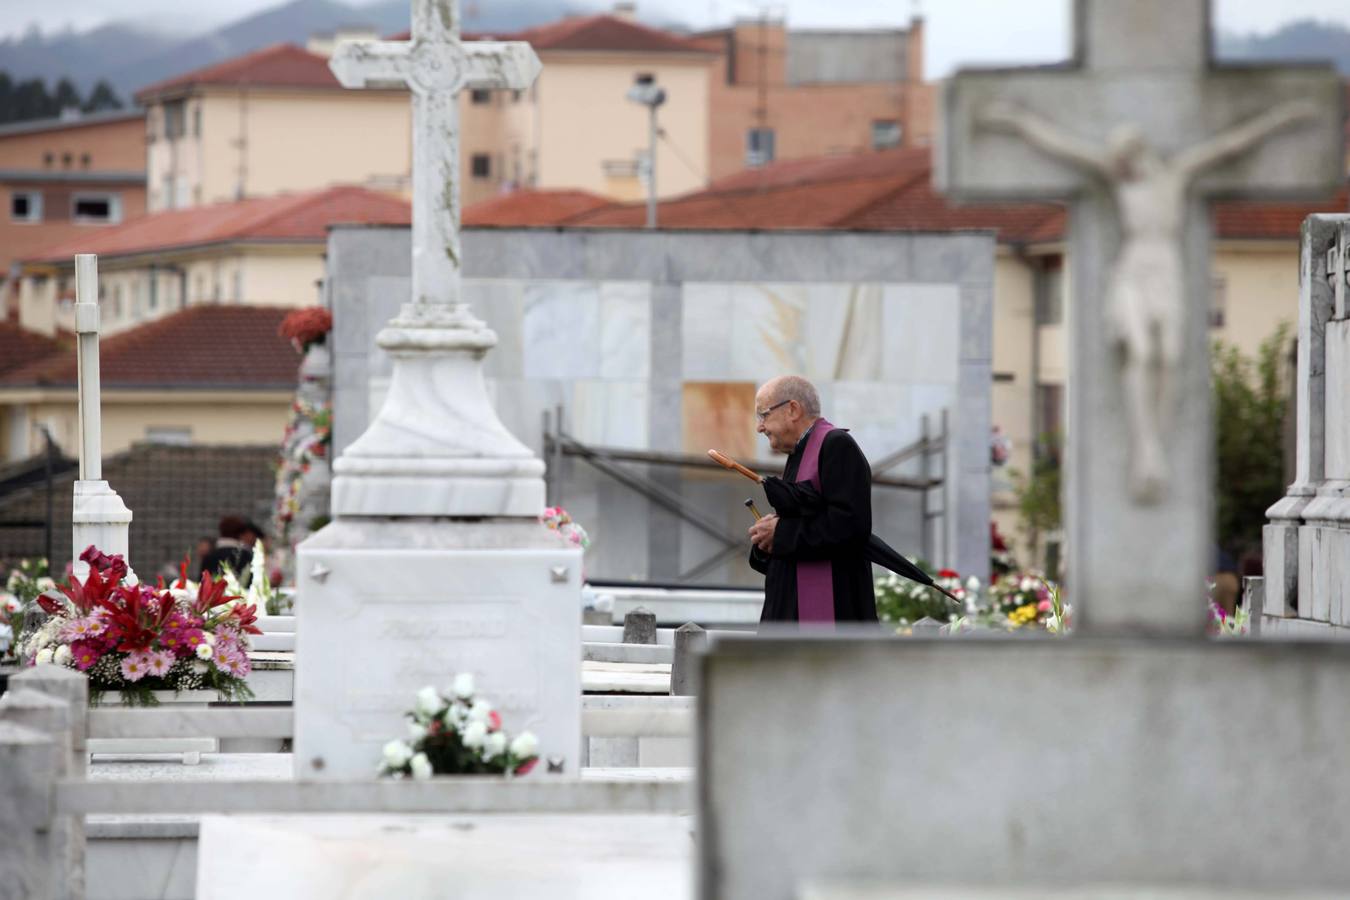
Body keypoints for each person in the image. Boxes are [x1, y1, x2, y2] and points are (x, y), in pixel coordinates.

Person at [747, 375, 878, 624]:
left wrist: (781, 533)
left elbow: (851, 527)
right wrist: (767, 539)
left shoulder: (836, 445)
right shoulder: (799, 452)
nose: (759, 427)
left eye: (763, 415)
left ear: (793, 409)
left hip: (831, 615)